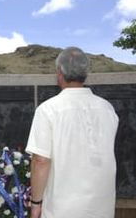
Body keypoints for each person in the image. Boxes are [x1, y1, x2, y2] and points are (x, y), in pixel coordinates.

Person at [25, 47, 119, 218]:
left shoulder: (48, 110)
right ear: (85, 73)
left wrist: (36, 204)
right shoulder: (107, 109)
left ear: (59, 73)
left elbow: (40, 161)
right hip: (102, 207)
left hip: (62, 209)